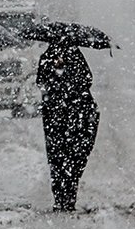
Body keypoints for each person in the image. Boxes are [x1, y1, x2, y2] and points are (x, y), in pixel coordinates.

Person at [36, 43, 99, 212]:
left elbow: (86, 81)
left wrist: (67, 72)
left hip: (76, 116)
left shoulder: (76, 57)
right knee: (57, 158)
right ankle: (60, 199)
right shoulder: (47, 58)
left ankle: (69, 196)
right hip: (55, 118)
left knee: (75, 157)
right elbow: (41, 83)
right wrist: (55, 72)